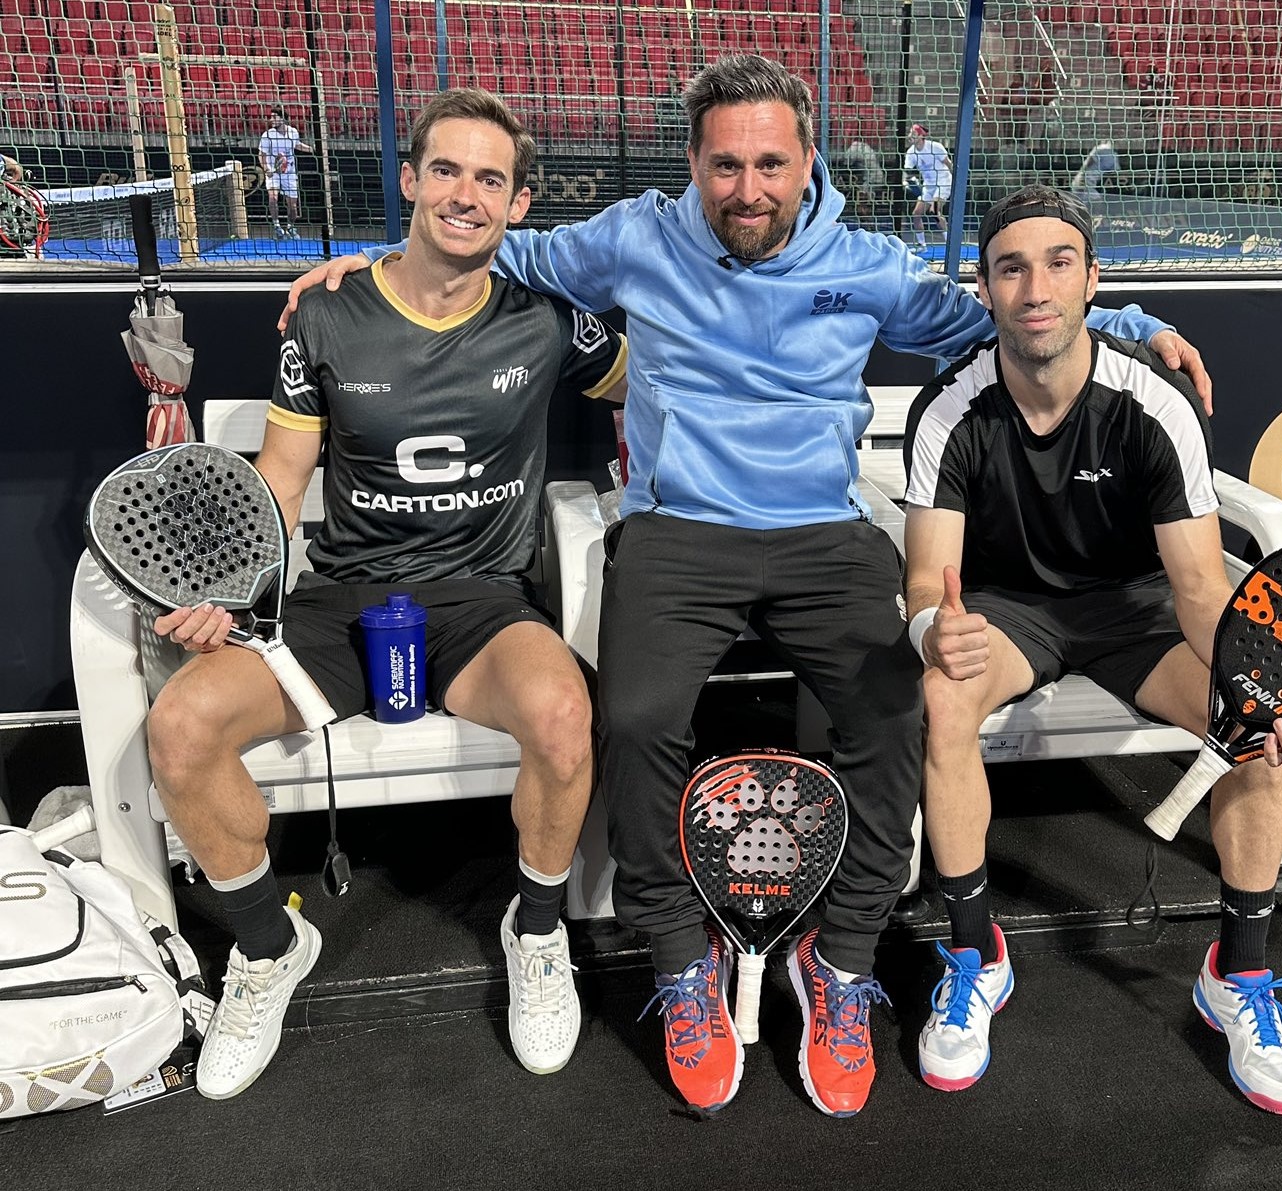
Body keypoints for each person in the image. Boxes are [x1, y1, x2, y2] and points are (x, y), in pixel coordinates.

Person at [281, 54, 1212, 1119]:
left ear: (808, 160)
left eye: (772, 162)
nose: (749, 187)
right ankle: (679, 959)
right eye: (726, 165)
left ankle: (846, 960)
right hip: (677, 534)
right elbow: (490, 244)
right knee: (629, 721)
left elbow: (1013, 317)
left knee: (891, 710)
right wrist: (365, 267)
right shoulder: (635, 235)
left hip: (823, 532)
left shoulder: (864, 263)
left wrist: (1128, 323)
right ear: (694, 164)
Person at [147, 88, 627, 1100]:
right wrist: (229, 587)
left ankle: (536, 932)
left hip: (482, 603)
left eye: (489, 178)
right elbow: (280, 481)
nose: (465, 194)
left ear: (521, 204)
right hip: (343, 600)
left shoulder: (547, 319)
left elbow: (662, 373)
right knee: (181, 728)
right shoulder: (326, 311)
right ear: (407, 182)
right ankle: (268, 948)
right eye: (444, 170)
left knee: (564, 714)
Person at [901, 186, 1282, 1113]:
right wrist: (929, 628)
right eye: (1011, 266)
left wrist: (1262, 688)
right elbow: (925, 581)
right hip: (1010, 612)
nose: (1036, 286)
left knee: (1253, 720)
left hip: (1139, 614)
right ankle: (977, 954)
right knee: (941, 695)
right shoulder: (949, 410)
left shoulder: (1157, 403)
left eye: (1060, 262)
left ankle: (1240, 976)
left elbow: (1197, 586)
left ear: (1093, 281)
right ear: (983, 289)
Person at [259, 107, 313, 238]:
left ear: (283, 119)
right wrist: (266, 168)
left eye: (274, 117)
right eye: (271, 117)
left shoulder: (293, 132)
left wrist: (312, 149)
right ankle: (277, 225)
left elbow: (297, 145)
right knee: (273, 198)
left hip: (289, 173)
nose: (271, 120)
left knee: (293, 205)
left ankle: (291, 227)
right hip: (273, 173)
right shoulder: (267, 135)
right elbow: (262, 154)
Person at [903, 122, 952, 251]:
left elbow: (949, 164)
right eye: (910, 133)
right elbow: (907, 172)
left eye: (913, 133)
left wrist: (957, 182)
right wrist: (908, 182)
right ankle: (921, 245)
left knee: (934, 211)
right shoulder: (911, 153)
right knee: (916, 213)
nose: (910, 136)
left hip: (943, 182)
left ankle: (949, 243)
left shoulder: (935, 147)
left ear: (921, 136)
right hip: (928, 185)